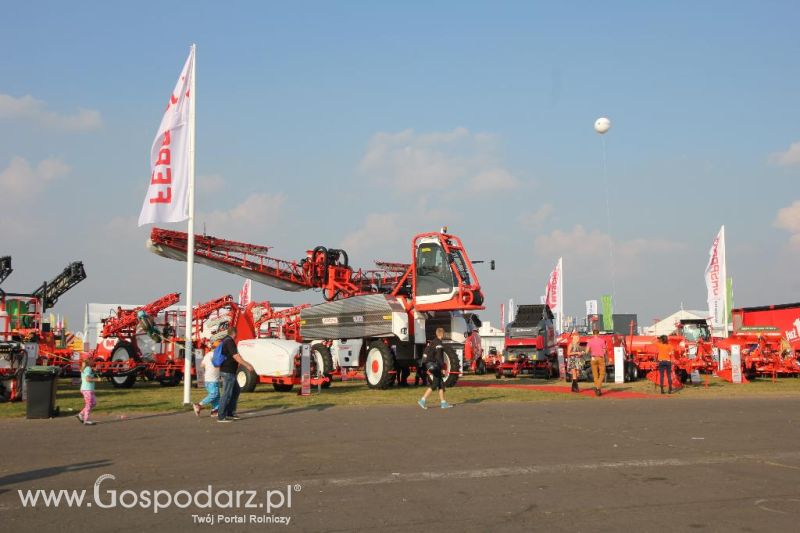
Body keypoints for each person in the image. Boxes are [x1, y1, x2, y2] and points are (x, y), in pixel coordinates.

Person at [217, 326, 255, 423]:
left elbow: (235, 355)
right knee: (227, 394)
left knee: (235, 391)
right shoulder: (229, 341)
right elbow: (236, 356)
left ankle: (230, 412)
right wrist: (247, 365)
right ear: (234, 333)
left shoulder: (226, 340)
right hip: (228, 371)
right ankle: (221, 416)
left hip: (231, 372)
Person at [417, 327, 453, 409]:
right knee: (435, 383)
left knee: (440, 383)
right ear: (442, 334)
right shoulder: (439, 343)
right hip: (434, 365)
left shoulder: (432, 342)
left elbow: (425, 353)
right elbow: (439, 357)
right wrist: (443, 368)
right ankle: (422, 400)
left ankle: (443, 403)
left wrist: (427, 367)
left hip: (429, 365)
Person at [193, 348, 221, 417]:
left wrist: (208, 365)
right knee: (214, 394)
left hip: (208, 378)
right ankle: (199, 405)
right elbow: (218, 365)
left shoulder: (207, 355)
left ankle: (215, 411)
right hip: (212, 379)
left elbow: (202, 365)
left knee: (216, 396)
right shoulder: (216, 355)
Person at [77, 357, 102, 425]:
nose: (94, 362)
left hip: (89, 389)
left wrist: (95, 369)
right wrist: (97, 380)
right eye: (93, 361)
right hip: (87, 389)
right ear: (89, 362)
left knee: (93, 403)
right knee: (89, 404)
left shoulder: (88, 368)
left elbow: (91, 372)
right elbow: (88, 379)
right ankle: (86, 420)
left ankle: (81, 414)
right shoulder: (88, 368)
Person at [585, 329, 607, 396]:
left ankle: (596, 386)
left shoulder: (590, 341)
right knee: (602, 374)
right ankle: (598, 387)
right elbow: (604, 351)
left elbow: (587, 351)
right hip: (600, 358)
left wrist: (591, 352)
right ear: (598, 334)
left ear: (593, 334)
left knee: (595, 374)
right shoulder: (602, 340)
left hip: (593, 358)